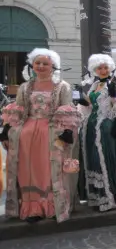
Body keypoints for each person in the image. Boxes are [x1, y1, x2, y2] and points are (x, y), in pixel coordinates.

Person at [0, 49, 82, 222]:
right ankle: (32, 209)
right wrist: (7, 129)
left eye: (45, 63)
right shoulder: (25, 87)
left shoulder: (62, 86)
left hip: (51, 134)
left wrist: (66, 131)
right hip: (26, 135)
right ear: (32, 65)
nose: (41, 66)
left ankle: (52, 207)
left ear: (53, 66)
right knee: (27, 170)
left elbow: (67, 108)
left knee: (49, 170)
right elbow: (19, 109)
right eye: (38, 63)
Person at [78, 54, 116, 212]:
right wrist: (83, 102)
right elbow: (90, 106)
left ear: (110, 68)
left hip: (106, 128)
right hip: (91, 127)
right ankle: (96, 197)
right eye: (99, 68)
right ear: (95, 69)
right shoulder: (95, 85)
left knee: (105, 161)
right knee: (93, 161)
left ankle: (109, 197)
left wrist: (115, 96)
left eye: (105, 67)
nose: (102, 70)